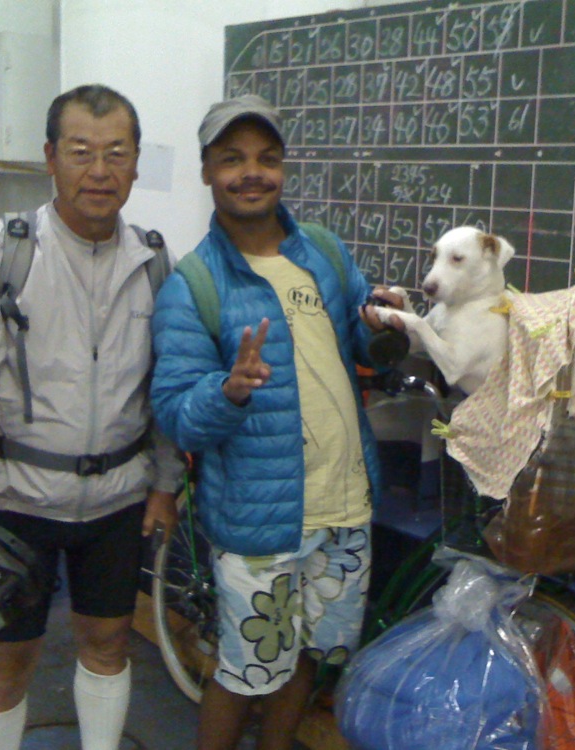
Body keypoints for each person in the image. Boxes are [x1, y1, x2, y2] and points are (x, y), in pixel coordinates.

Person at [0, 84, 185, 750]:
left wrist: (164, 482)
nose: (100, 171)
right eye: (82, 152)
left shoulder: (155, 260)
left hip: (118, 500)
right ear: (50, 158)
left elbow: (164, 384)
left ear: (135, 163)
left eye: (117, 154)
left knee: (108, 640)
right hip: (16, 499)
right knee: (9, 661)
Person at [149, 94, 400, 750]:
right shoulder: (194, 285)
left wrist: (384, 324)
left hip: (344, 509)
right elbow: (177, 414)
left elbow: (363, 344)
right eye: (232, 159)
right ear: (206, 170)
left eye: (266, 158)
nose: (251, 172)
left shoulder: (321, 251)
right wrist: (227, 391)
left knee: (310, 658)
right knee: (246, 672)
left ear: (284, 168)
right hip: (262, 526)